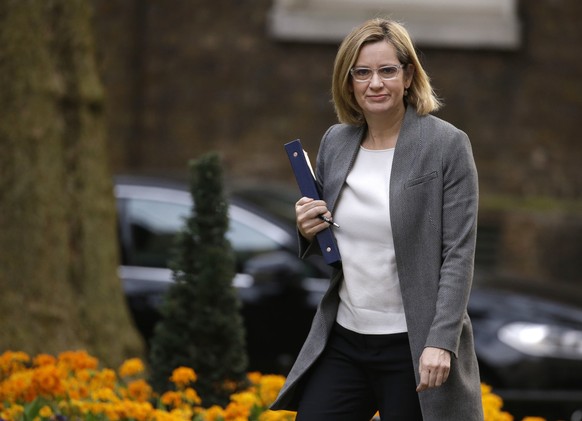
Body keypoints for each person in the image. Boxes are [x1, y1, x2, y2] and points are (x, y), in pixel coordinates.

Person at [270, 18, 484, 421]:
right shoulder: (337, 141)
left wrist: (441, 341)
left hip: (413, 344)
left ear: (408, 75)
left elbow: (459, 253)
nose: (376, 83)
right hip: (345, 339)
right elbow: (333, 229)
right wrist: (307, 226)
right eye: (363, 73)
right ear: (349, 82)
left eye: (387, 70)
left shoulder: (447, 145)